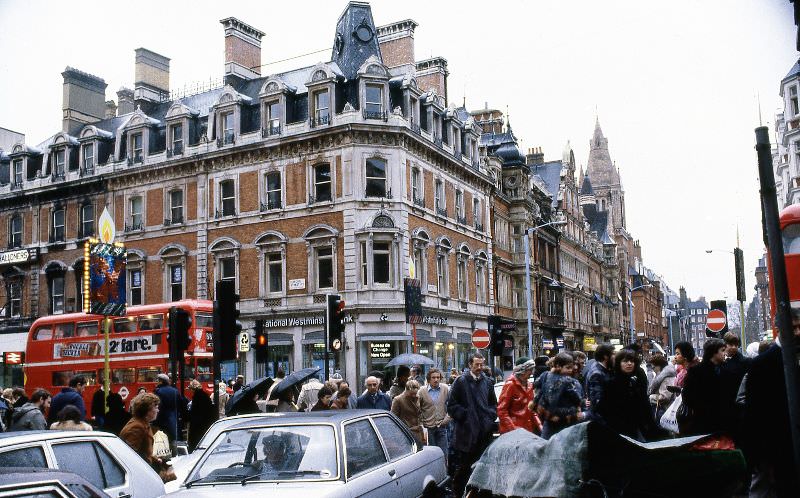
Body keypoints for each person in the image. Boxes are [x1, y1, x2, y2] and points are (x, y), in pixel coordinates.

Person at [743, 309, 800, 496]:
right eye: (793, 328)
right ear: (778, 329)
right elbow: (754, 412)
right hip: (778, 447)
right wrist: (761, 454)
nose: (798, 332)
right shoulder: (762, 364)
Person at [447, 353, 497, 498]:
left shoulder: (487, 382)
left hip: (483, 434)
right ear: (470, 365)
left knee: (483, 468)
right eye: (477, 365)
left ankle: (479, 493)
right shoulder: (460, 381)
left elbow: (493, 404)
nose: (480, 367)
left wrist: (489, 418)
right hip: (466, 435)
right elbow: (451, 406)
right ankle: (459, 494)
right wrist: (466, 417)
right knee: (463, 470)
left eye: (482, 364)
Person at [119, 392, 174, 483]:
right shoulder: (137, 427)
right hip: (140, 477)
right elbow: (131, 455)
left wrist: (156, 459)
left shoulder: (143, 424)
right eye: (156, 407)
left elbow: (142, 451)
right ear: (147, 410)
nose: (158, 410)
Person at [599, 350, 652, 441]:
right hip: (619, 428)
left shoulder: (635, 380)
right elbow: (605, 408)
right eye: (625, 361)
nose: (629, 364)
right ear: (619, 363)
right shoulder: (612, 382)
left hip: (637, 426)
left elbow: (643, 402)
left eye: (632, 361)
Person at [681, 338, 728, 435]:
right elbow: (687, 396)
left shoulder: (725, 369)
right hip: (703, 421)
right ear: (713, 352)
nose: (725, 353)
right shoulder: (696, 371)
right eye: (722, 350)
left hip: (723, 421)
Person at [537, 352, 585, 439]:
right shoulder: (571, 382)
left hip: (558, 427)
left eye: (575, 365)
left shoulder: (574, 381)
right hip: (561, 427)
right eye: (570, 366)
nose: (575, 367)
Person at [497, 358, 539, 434]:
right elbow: (502, 411)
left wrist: (539, 426)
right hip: (513, 432)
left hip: (528, 431)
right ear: (522, 370)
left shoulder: (529, 386)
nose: (531, 372)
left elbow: (531, 410)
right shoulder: (510, 385)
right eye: (530, 369)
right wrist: (514, 430)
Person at [419, 368, 451, 458]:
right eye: (433, 377)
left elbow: (452, 406)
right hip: (428, 428)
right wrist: (422, 425)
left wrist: (446, 419)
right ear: (429, 379)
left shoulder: (445, 389)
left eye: (438, 377)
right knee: (431, 455)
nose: (436, 380)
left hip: (442, 426)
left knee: (443, 453)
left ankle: (444, 471)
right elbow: (417, 409)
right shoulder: (422, 391)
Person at [584, 344, 614, 423]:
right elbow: (597, 401)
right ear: (605, 356)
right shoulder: (597, 373)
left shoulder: (603, 369)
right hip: (601, 419)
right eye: (613, 354)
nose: (615, 357)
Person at [154, 373, 180, 456]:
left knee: (162, 441)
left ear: (161, 381)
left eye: (157, 380)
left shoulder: (158, 391)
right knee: (173, 440)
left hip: (161, 420)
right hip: (173, 419)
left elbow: (156, 406)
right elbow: (181, 404)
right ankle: (175, 456)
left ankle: (165, 457)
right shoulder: (175, 391)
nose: (156, 382)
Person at [187, 380, 216, 452]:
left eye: (191, 389)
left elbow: (196, 411)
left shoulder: (197, 396)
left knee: (196, 440)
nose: (190, 391)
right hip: (204, 422)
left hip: (199, 423)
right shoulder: (203, 395)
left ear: (193, 389)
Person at [647, 354, 676, 420]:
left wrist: (651, 397)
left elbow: (665, 397)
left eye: (653, 367)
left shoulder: (667, 377)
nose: (652, 369)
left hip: (665, 410)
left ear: (658, 366)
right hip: (662, 409)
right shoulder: (660, 375)